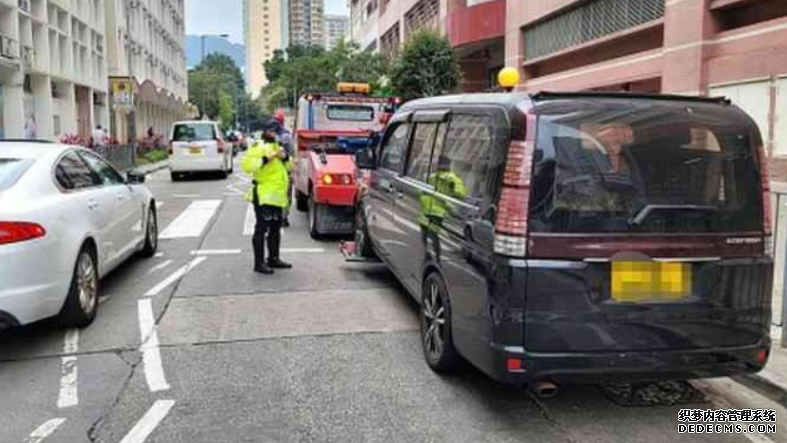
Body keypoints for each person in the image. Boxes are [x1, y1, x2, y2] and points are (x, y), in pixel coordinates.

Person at [241, 130, 293, 274]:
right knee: (261, 229)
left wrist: (285, 157)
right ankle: (259, 263)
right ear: (266, 132)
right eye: (272, 131)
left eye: (276, 131)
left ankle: (273, 258)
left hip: (277, 196)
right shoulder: (258, 147)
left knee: (276, 228)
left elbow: (290, 168)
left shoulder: (278, 147)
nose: (275, 134)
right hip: (263, 195)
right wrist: (265, 159)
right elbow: (247, 166)